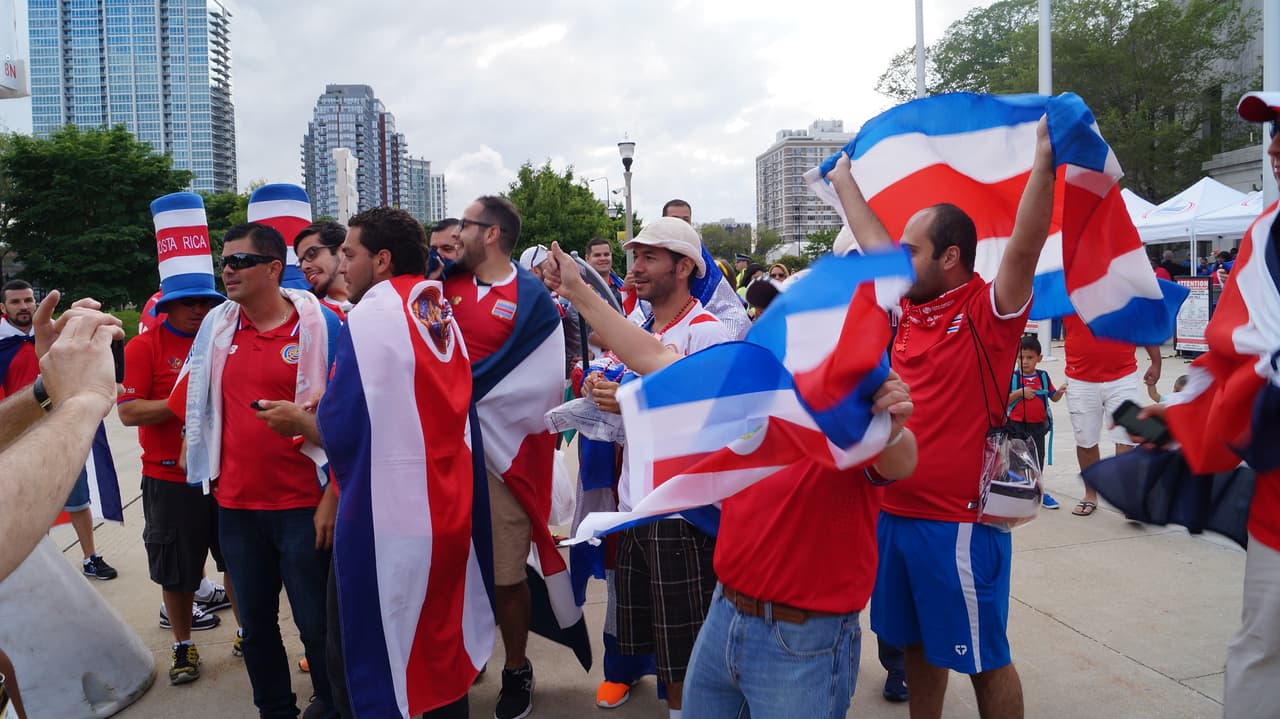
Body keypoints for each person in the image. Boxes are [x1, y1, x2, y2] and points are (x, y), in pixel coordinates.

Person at [540, 238, 918, 719]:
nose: (773, 330)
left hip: (803, 636)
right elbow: (655, 358)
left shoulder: (854, 411)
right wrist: (577, 291)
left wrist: (890, 429)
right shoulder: (753, 390)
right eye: (773, 317)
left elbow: (901, 461)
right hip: (727, 611)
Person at [825, 115, 1057, 719]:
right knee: (917, 646)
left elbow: (1027, 245)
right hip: (893, 514)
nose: (898, 259)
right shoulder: (907, 305)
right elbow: (875, 244)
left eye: (913, 250)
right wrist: (845, 179)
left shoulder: (989, 309)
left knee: (983, 659)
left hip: (957, 524)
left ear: (950, 256)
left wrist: (1043, 161)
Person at [169, 222, 342, 719]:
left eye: (240, 262)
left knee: (317, 625)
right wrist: (191, 440)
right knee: (257, 629)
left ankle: (331, 706)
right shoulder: (218, 331)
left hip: (303, 508)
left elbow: (354, 421)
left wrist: (307, 435)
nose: (227, 270)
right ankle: (274, 709)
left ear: (273, 268)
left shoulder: (321, 327)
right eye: (224, 262)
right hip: (237, 508)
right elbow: (196, 403)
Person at [316, 206, 482, 719]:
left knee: (372, 642)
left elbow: (341, 421)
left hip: (388, 509)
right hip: (446, 498)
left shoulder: (371, 315)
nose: (343, 266)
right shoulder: (432, 304)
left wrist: (307, 426)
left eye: (350, 253)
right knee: (438, 641)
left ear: (381, 260)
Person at [585, 217, 730, 718]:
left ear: (685, 266)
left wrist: (625, 401)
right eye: (634, 257)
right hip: (637, 508)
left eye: (649, 257)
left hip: (682, 514)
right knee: (659, 646)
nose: (636, 268)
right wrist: (600, 403)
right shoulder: (642, 330)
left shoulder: (708, 333)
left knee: (687, 654)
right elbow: (635, 423)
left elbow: (708, 426)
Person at [444, 196, 569, 719]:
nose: (456, 236)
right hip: (444, 453)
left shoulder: (531, 295)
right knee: (449, 569)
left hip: (500, 457)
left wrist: (472, 399)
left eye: (466, 227)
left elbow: (542, 384)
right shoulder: (442, 285)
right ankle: (463, 654)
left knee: (506, 574)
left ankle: (516, 667)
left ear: (491, 234)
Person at [0, 292, 123, 583]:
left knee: (78, 498)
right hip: (16, 437)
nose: (24, 306)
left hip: (61, 426)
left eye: (28, 300)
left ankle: (90, 556)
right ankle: (33, 562)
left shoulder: (58, 337)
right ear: (3, 307)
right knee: (27, 504)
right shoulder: (3, 345)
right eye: (15, 302)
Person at [1062, 314, 1161, 517]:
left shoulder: (1123, 286)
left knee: (1127, 438)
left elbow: (1143, 322)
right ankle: (1090, 495)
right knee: (1086, 440)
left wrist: (1156, 362)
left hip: (1123, 377)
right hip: (1080, 378)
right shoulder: (1066, 287)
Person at [1007, 335, 1067, 509]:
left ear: (1039, 358)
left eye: (1030, 358)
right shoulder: (1013, 378)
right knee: (1016, 460)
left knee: (1037, 461)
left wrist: (1060, 392)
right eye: (1020, 357)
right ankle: (1017, 490)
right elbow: (1003, 401)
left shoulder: (1043, 376)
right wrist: (1020, 393)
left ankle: (1037, 490)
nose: (1024, 362)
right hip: (1016, 427)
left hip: (1038, 427)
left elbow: (1053, 397)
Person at [295, 221, 352, 317]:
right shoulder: (306, 314)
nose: (304, 267)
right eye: (300, 262)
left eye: (311, 254)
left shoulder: (377, 300)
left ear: (342, 251)